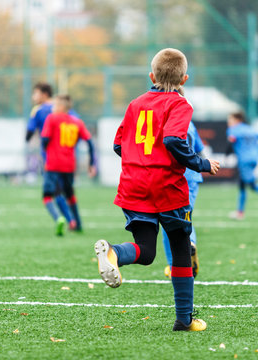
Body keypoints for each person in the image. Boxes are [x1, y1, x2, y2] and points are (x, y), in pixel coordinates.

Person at [94, 48, 220, 332]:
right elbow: (174, 139)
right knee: (180, 251)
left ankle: (114, 252)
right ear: (184, 79)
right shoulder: (180, 105)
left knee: (146, 251)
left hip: (134, 186)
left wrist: (139, 161)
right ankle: (184, 319)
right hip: (167, 188)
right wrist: (200, 163)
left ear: (151, 76)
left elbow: (118, 144)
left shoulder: (136, 103)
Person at [26, 82, 87, 231]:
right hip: (67, 157)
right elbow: (77, 124)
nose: (33, 97)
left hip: (49, 158)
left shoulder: (38, 110)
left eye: (35, 93)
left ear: (44, 94)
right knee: (67, 191)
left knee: (53, 192)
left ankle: (66, 219)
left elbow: (29, 133)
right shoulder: (64, 108)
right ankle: (74, 222)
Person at [41, 95, 96, 236]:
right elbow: (89, 142)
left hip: (53, 164)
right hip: (69, 165)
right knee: (69, 195)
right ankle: (77, 223)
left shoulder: (52, 118)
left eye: (54, 105)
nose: (52, 108)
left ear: (61, 107)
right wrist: (91, 163)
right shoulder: (77, 122)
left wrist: (45, 156)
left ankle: (58, 217)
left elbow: (45, 139)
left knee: (47, 196)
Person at [162, 121, 204, 279]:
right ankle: (191, 242)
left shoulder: (164, 119)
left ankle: (173, 265)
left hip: (173, 175)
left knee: (169, 219)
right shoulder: (190, 122)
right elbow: (200, 150)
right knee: (186, 215)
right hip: (192, 176)